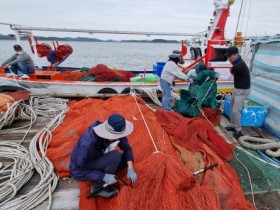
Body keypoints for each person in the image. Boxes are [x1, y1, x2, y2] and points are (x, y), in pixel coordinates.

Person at [70, 114, 137, 198]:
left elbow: (126, 148)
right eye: (115, 136)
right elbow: (76, 171)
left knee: (124, 160)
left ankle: (107, 173)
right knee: (115, 156)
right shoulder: (87, 144)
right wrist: (103, 176)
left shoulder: (116, 129)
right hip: (86, 164)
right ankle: (99, 187)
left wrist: (130, 168)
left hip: (100, 155)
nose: (118, 138)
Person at [224, 46, 251, 139]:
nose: (228, 59)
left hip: (243, 90)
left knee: (236, 110)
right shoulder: (237, 63)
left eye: (229, 56)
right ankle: (232, 126)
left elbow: (226, 78)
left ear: (236, 55)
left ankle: (238, 130)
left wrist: (214, 75)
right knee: (232, 107)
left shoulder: (238, 65)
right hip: (237, 88)